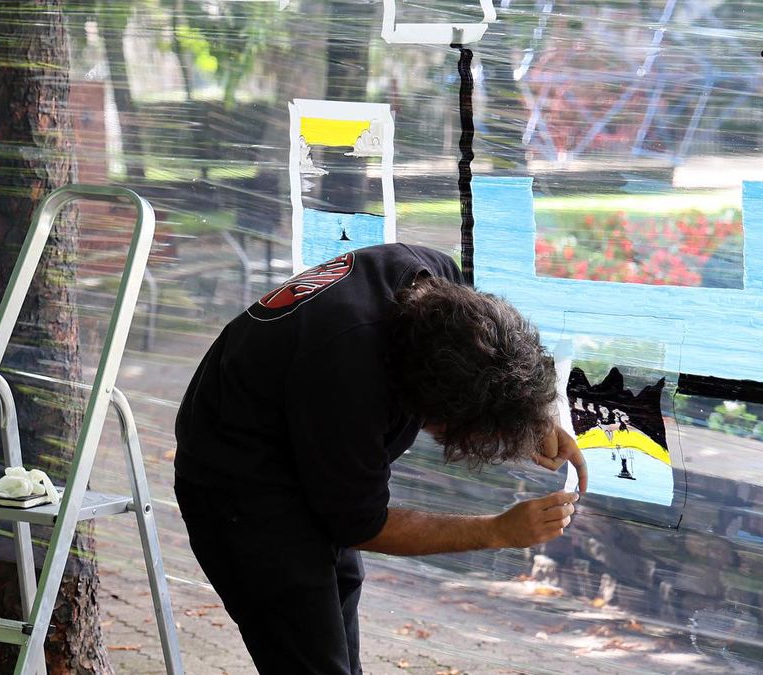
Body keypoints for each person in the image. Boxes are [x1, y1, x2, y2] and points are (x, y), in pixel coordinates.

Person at [174, 243, 588, 674]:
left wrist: (529, 415)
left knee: (338, 620)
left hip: (295, 439)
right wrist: (498, 531)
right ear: (426, 407)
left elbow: (491, 362)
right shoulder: (349, 378)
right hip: (238, 485)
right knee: (310, 658)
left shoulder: (435, 281)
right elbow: (362, 525)